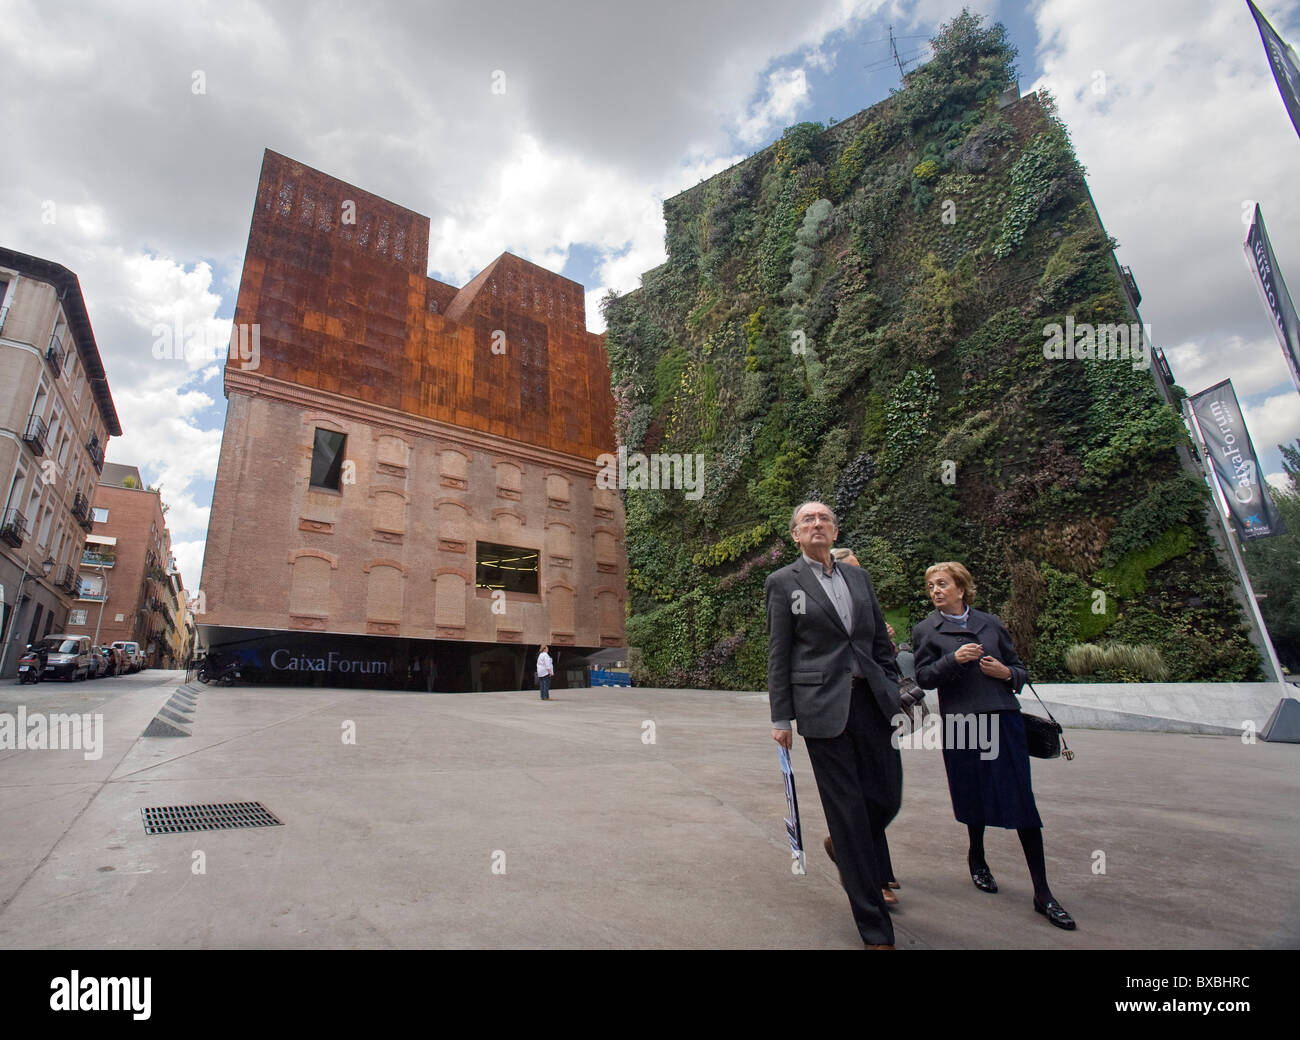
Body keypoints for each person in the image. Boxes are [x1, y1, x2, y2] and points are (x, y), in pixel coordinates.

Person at [911, 562, 1076, 931]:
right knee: (971, 794)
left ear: (961, 588)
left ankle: (1043, 892)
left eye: (942, 584)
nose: (935, 590)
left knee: (1021, 798)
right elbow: (923, 677)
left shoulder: (991, 623)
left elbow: (1019, 669)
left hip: (1003, 718)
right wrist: (954, 659)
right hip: (961, 725)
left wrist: (1007, 674)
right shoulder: (926, 630)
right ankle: (977, 855)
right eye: (930, 585)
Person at [768, 502, 903, 949]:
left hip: (871, 702)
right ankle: (875, 929)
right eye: (807, 520)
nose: (817, 524)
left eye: (824, 518)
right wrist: (781, 716)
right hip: (821, 707)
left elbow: (879, 642)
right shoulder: (784, 583)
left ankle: (842, 843)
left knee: (886, 796)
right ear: (795, 535)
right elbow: (779, 653)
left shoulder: (858, 577)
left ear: (835, 529)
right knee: (847, 810)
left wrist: (894, 684)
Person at [826, 545, 901, 902]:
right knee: (854, 794)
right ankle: (875, 877)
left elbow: (883, 654)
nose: (859, 575)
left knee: (882, 793)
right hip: (836, 704)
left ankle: (854, 854)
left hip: (874, 700)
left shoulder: (863, 594)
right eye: (852, 569)